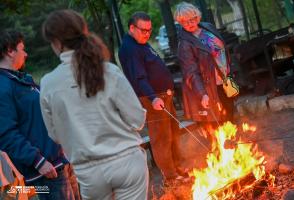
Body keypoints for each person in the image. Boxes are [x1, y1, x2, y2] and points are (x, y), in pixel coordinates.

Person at [41, 9, 148, 200]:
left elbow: (55, 135)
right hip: (127, 161)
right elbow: (137, 119)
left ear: (56, 42)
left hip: (89, 171)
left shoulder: (48, 83)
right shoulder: (109, 71)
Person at [0, 30, 81, 200]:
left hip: (61, 160)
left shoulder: (22, 79)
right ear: (9, 50)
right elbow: (7, 134)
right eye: (22, 49)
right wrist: (38, 161)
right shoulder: (3, 86)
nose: (26, 54)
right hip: (46, 171)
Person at [118, 11, 187, 183]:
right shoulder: (130, 49)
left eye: (149, 30)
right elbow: (139, 77)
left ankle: (178, 168)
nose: (147, 34)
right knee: (161, 138)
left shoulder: (141, 44)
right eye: (143, 30)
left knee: (173, 133)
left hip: (164, 96)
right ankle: (171, 177)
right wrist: (153, 97)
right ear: (132, 28)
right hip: (153, 99)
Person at [174, 2, 234, 128]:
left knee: (231, 117)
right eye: (184, 21)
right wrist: (202, 94)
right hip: (209, 87)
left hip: (225, 81)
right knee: (219, 124)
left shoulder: (208, 27)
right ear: (180, 22)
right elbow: (191, 72)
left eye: (192, 19)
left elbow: (222, 51)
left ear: (197, 17)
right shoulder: (185, 44)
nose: (190, 24)